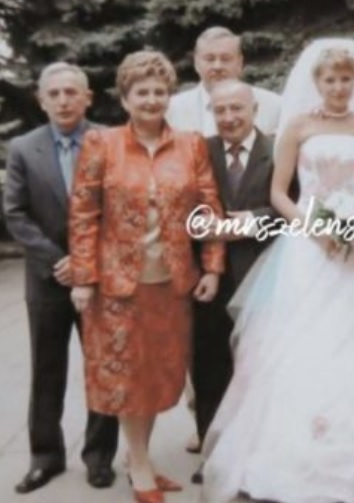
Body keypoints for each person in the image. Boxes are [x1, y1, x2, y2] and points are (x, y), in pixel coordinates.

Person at [201, 38, 354, 503]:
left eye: (346, 79)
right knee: (300, 343)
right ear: (317, 82)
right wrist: (316, 228)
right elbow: (279, 193)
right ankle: (285, 453)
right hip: (306, 249)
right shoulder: (297, 127)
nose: (339, 87)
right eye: (330, 79)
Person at [68, 50, 225, 503]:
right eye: (142, 92)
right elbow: (83, 215)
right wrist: (83, 278)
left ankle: (141, 458)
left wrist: (212, 267)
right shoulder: (102, 144)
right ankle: (138, 465)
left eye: (159, 91)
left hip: (171, 284)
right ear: (125, 99)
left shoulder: (191, 145)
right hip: (118, 285)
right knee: (129, 378)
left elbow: (208, 210)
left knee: (156, 377)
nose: (152, 99)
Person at [3, 62, 119, 494]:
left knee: (103, 369)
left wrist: (89, 261)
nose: (63, 100)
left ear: (88, 98)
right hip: (48, 278)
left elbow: (121, 209)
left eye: (72, 92)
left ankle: (99, 458)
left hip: (100, 278)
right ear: (41, 100)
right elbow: (16, 214)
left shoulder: (110, 141)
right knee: (46, 368)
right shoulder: (23, 148)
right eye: (54, 93)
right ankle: (45, 457)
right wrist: (61, 261)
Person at [190, 79, 289, 484]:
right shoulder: (201, 151)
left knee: (260, 367)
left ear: (254, 110)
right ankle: (211, 453)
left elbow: (295, 207)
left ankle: (260, 450)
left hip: (264, 276)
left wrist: (250, 222)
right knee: (209, 367)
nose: (229, 117)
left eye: (237, 109)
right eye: (220, 110)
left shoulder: (278, 151)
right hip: (209, 279)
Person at [167, 26, 281, 136]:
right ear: (196, 63)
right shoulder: (172, 109)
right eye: (210, 59)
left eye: (226, 59)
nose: (217, 66)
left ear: (240, 63)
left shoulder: (273, 106)